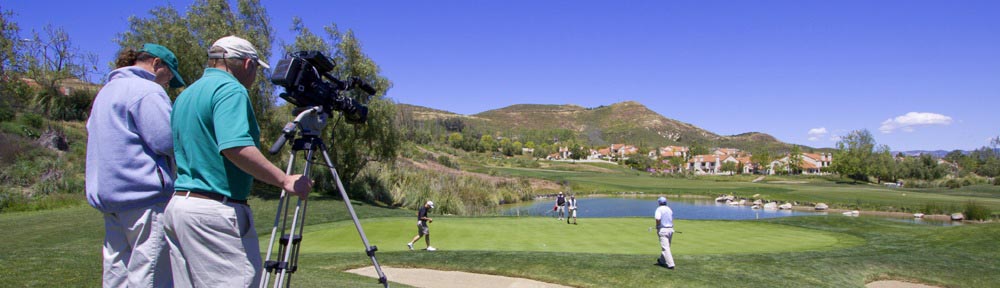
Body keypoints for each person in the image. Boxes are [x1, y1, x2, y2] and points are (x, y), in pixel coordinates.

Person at [163, 35, 312, 287]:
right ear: (247, 64)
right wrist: (284, 180)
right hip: (214, 211)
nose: (255, 78)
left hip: (180, 207)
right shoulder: (231, 89)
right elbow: (235, 147)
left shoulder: (186, 95)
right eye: (255, 70)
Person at [86, 43, 186, 288]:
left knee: (116, 272)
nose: (167, 82)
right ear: (156, 64)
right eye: (168, 75)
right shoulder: (147, 90)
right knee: (150, 273)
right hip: (143, 197)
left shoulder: (107, 91)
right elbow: (165, 140)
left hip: (110, 196)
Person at [654, 196, 675, 269]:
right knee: (667, 246)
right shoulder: (669, 209)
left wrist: (657, 226)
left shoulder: (659, 209)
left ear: (659, 202)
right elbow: (671, 219)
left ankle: (671, 264)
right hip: (670, 229)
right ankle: (662, 261)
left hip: (663, 230)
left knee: (665, 248)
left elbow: (658, 218)